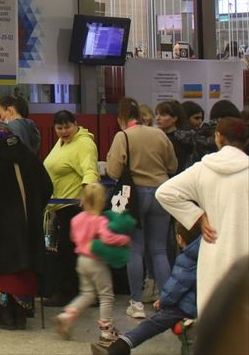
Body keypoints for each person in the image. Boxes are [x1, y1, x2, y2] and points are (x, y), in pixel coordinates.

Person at [156, 116, 249, 319]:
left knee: (216, 323)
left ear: (218, 137)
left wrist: (197, 216)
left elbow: (164, 193)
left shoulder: (203, 169)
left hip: (214, 250)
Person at [0, 122, 54, 330]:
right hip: (27, 224)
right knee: (23, 268)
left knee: (0, 269)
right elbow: (47, 186)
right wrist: (34, 209)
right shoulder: (28, 156)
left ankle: (3, 313)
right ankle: (21, 313)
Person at [106, 96, 177, 319]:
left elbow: (113, 171)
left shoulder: (123, 135)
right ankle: (166, 302)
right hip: (161, 193)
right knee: (159, 250)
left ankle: (136, 304)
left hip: (134, 195)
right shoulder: (159, 134)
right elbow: (173, 165)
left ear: (122, 118)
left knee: (135, 250)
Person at [91, 220, 202, 355]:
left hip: (186, 308)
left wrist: (163, 301)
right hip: (201, 304)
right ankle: (122, 345)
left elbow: (175, 288)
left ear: (179, 238)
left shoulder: (187, 259)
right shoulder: (205, 253)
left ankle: (121, 346)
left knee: (154, 323)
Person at [54, 183, 133, 345]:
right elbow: (107, 238)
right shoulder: (99, 220)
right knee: (106, 296)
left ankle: (66, 316)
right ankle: (106, 331)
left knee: (87, 293)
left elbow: (73, 238)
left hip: (81, 260)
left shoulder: (76, 219)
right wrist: (124, 240)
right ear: (101, 201)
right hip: (96, 262)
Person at [42, 110, 100, 307]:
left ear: (76, 124)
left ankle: (70, 293)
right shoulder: (62, 143)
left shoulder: (83, 144)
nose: (64, 131)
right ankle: (73, 291)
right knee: (67, 251)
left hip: (74, 207)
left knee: (70, 252)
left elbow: (90, 171)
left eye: (67, 126)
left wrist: (88, 197)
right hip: (60, 206)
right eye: (59, 127)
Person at [154, 101, 194, 174]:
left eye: (163, 115)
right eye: (157, 114)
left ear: (174, 118)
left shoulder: (178, 139)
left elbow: (176, 167)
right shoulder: (159, 136)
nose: (158, 118)